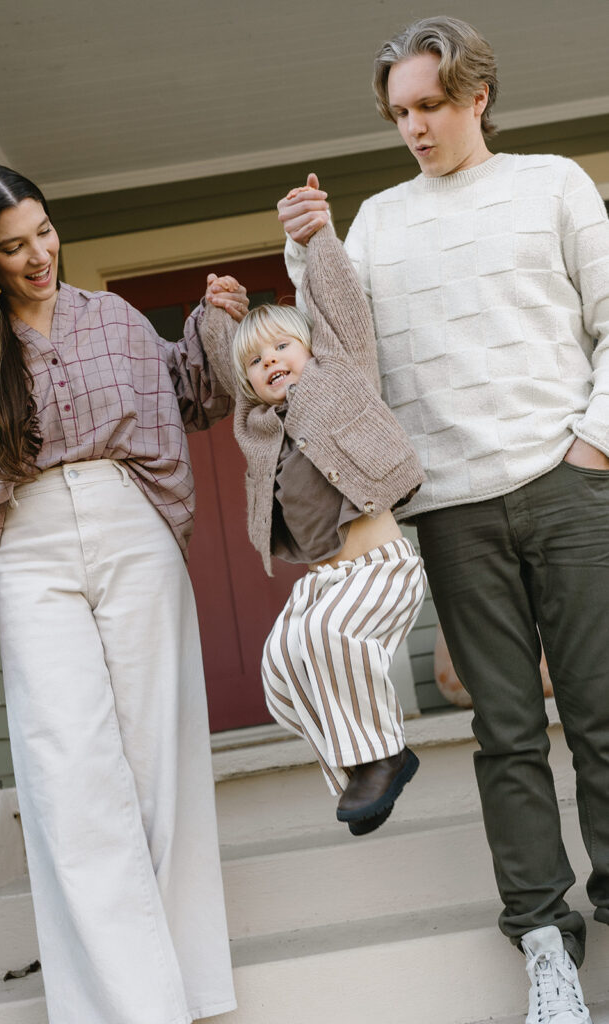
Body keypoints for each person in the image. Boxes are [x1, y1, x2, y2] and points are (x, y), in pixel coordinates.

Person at [277, 15, 609, 1024]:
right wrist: (305, 253)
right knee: (505, 731)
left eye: (427, 105)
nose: (413, 126)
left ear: (474, 98)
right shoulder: (376, 219)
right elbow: (338, 341)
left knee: (600, 716)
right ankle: (544, 943)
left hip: (565, 488)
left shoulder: (551, 184)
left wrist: (592, 446)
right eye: (398, 114)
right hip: (453, 511)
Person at [0, 164, 249, 1024]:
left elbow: (187, 392)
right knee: (70, 771)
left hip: (129, 522)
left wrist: (215, 325)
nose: (39, 255)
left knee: (158, 759)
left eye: (43, 232)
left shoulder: (110, 317)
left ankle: (191, 985)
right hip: (25, 549)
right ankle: (128, 1006)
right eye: (12, 246)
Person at [201, 221, 426, 836]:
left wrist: (319, 237)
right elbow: (227, 365)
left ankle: (384, 756)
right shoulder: (256, 424)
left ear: (310, 351)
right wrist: (221, 314)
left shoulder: (339, 375)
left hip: (381, 568)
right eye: (256, 360)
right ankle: (359, 774)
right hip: (325, 583)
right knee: (280, 668)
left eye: (282, 348)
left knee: (327, 637)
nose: (269, 361)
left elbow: (342, 310)